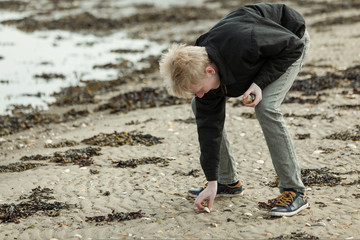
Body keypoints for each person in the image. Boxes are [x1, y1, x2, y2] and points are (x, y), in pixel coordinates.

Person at [159, 3, 310, 217]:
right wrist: (212, 181)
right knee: (199, 106)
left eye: (200, 89)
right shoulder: (202, 67)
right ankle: (227, 182)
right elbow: (208, 127)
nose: (201, 94)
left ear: (210, 71)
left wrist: (259, 83)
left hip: (288, 43)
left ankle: (294, 191)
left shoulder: (246, 41)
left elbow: (292, 46)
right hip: (252, 57)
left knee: (266, 107)